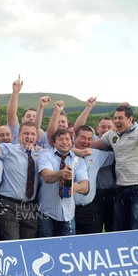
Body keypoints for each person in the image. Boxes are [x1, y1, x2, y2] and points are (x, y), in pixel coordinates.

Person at [93, 104, 138, 230]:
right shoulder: (111, 134)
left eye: (120, 118)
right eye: (115, 118)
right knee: (120, 228)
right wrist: (73, 149)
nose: (116, 121)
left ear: (130, 119)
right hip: (120, 188)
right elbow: (94, 145)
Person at [37, 101, 90, 237]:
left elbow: (85, 185)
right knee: (47, 247)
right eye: (61, 139)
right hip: (46, 212)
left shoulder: (77, 160)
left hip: (68, 213)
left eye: (67, 139)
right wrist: (62, 173)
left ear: (72, 142)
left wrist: (76, 188)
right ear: (54, 142)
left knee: (68, 248)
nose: (65, 142)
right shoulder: (45, 155)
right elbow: (47, 177)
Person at [0, 121, 43, 240]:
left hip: (30, 206)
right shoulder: (8, 149)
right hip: (8, 205)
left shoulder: (41, 153)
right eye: (26, 133)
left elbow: (62, 151)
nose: (29, 136)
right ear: (18, 135)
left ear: (36, 137)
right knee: (12, 242)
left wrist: (79, 152)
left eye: (33, 134)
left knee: (29, 244)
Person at [72, 125, 113, 234]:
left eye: (89, 139)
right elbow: (52, 149)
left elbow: (118, 155)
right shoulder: (65, 153)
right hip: (67, 209)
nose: (86, 141)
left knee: (92, 241)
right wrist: (76, 151)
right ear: (74, 137)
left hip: (88, 208)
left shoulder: (96, 154)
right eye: (83, 138)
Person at [93, 117, 116, 232]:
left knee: (112, 229)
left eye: (109, 127)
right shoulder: (91, 143)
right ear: (97, 129)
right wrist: (88, 108)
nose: (106, 130)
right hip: (96, 194)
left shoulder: (118, 144)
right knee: (95, 228)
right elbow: (77, 130)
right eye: (103, 127)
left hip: (115, 193)